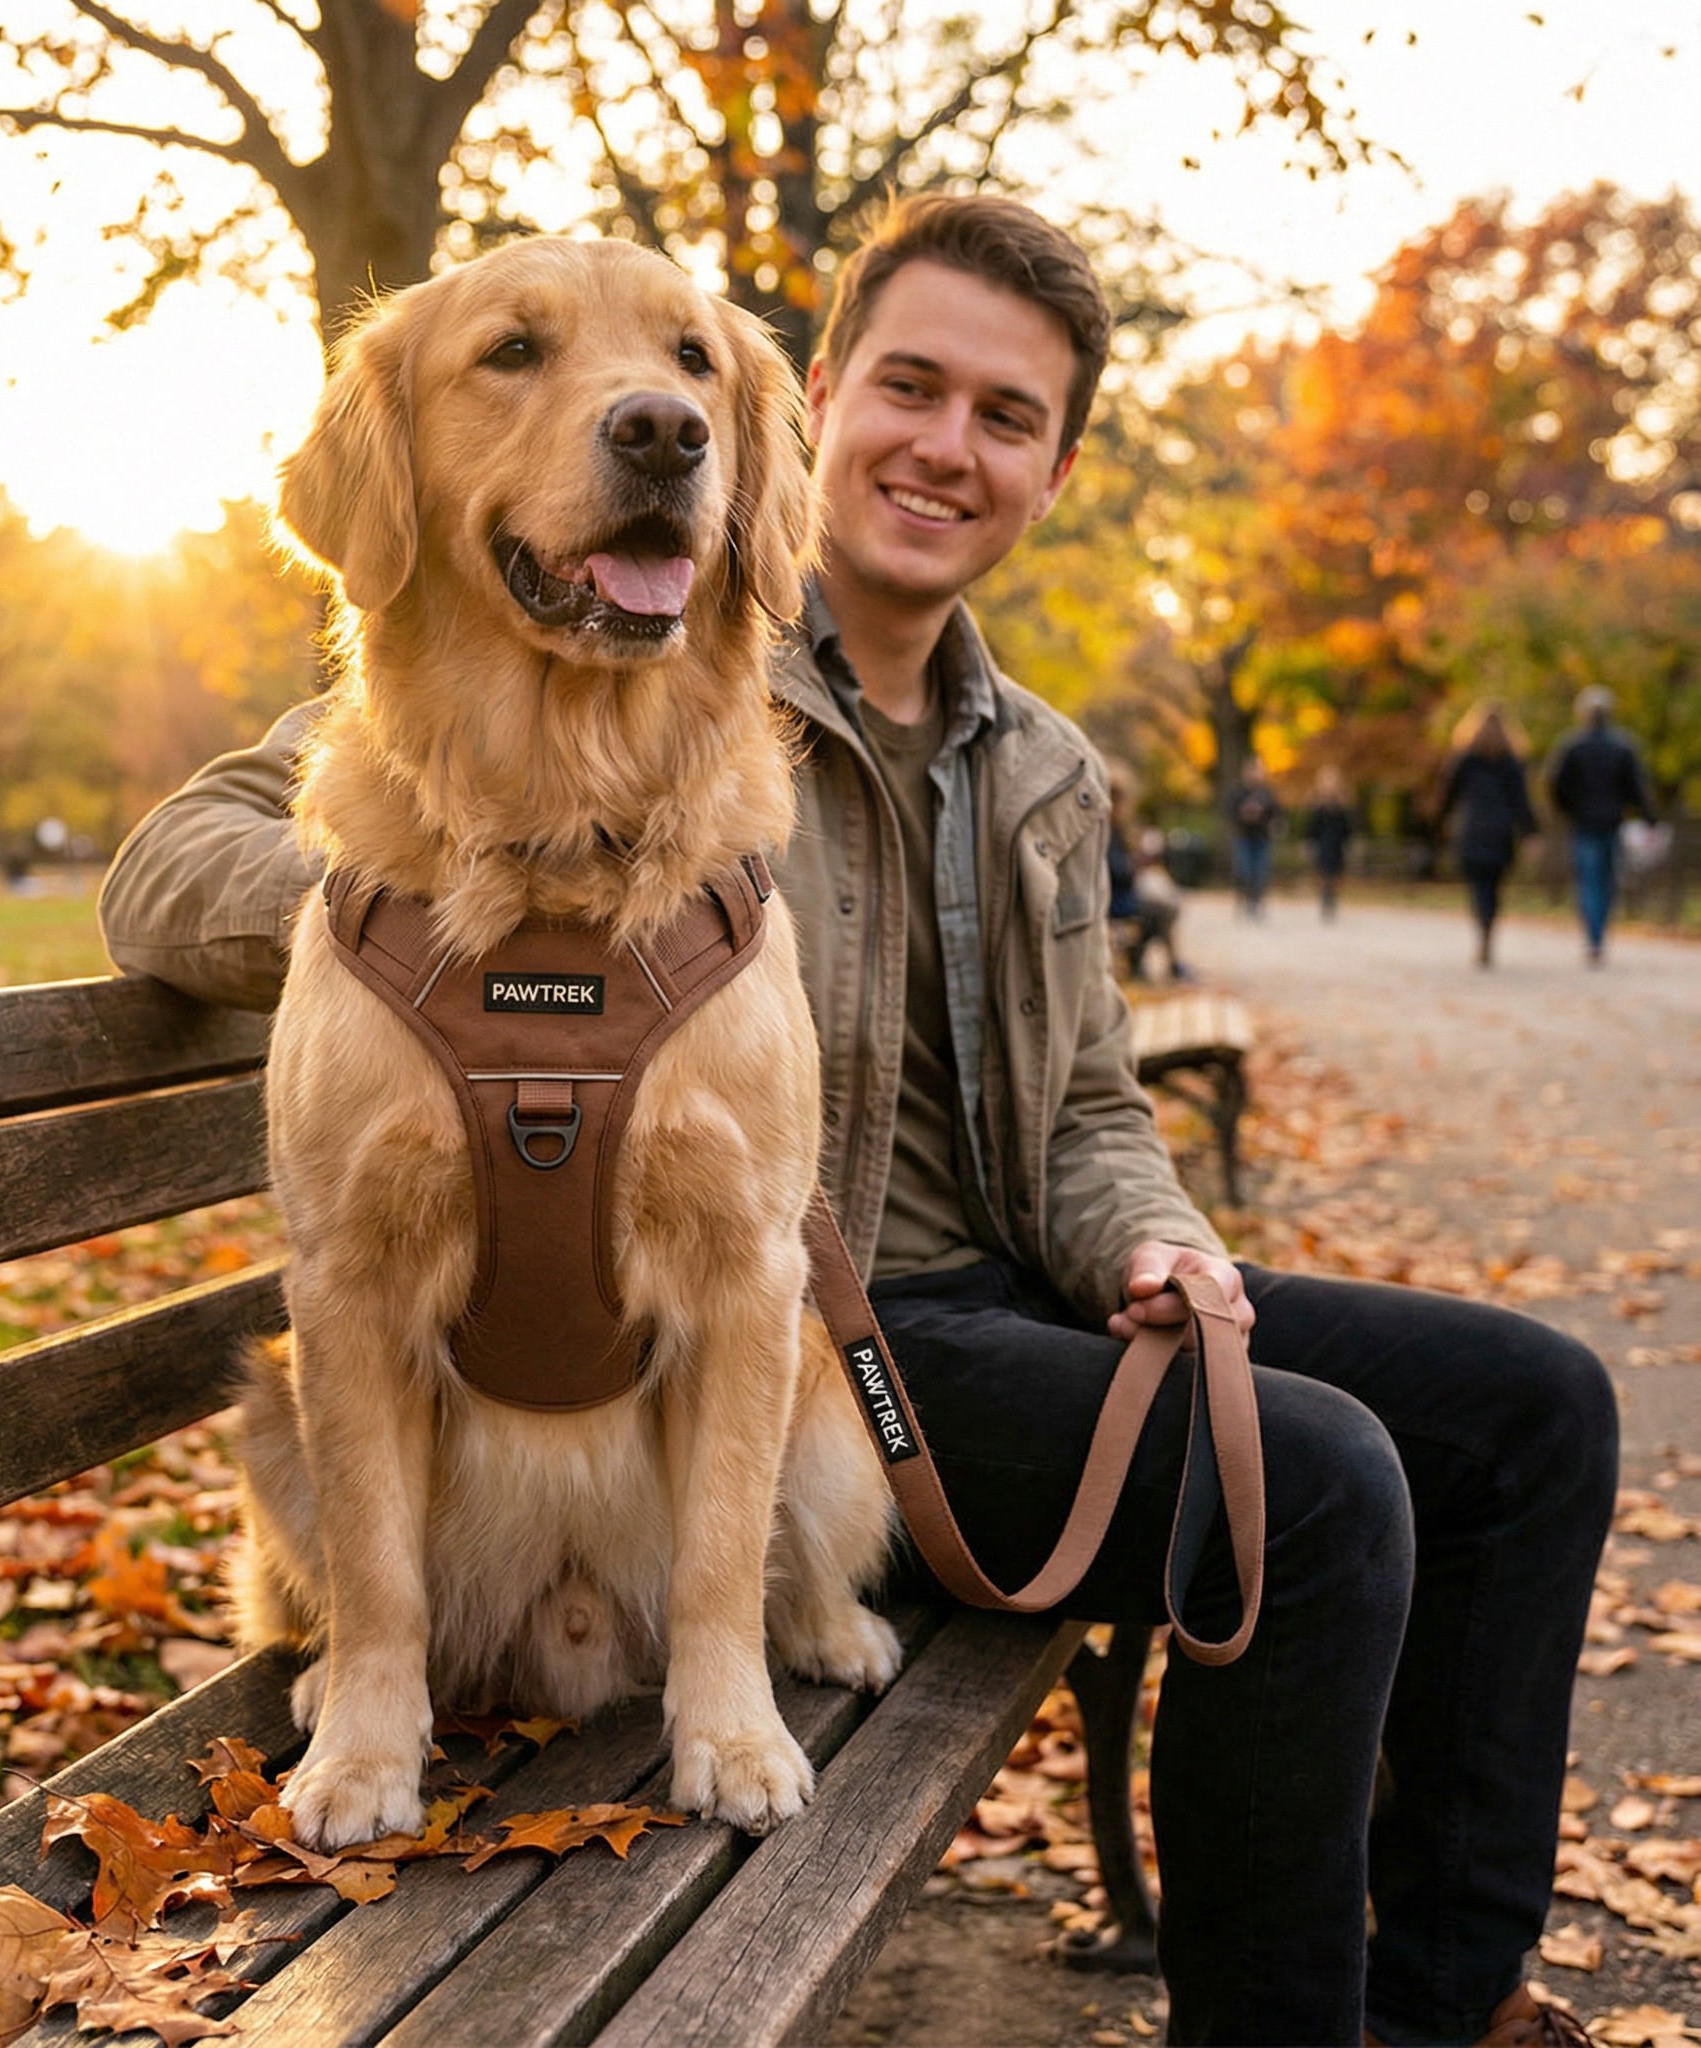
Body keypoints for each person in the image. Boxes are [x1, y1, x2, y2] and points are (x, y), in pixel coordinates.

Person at [97, 198, 1615, 2047]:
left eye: (1003, 415)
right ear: (818, 401)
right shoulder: (617, 648)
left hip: (1040, 1303)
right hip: (841, 1347)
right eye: (908, 386)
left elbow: (1086, 1102)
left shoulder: (1044, 762)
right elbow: (183, 857)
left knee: (1540, 1408)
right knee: (1312, 1482)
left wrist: (1154, 1234)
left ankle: (1426, 2013)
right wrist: (446, 912)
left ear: (1045, 472)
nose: (945, 445)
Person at [1545, 685, 1656, 965]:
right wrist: (1649, 817)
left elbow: (1556, 786)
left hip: (1584, 824)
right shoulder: (1622, 746)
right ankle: (1598, 935)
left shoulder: (1573, 745)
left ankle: (1594, 937)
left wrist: (1569, 810)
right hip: (1610, 823)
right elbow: (1637, 788)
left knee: (1590, 882)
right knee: (1606, 882)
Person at [1440, 705, 1539, 969]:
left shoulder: (1464, 758)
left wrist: (1443, 820)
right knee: (1493, 887)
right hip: (1501, 831)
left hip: (1473, 828)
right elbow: (1521, 802)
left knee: (1478, 886)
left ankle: (1482, 928)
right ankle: (1488, 929)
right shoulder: (1512, 762)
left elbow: (1448, 795)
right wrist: (1529, 833)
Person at [1108, 774, 1189, 981]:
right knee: (1164, 910)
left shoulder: (1116, 831)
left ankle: (1150, 963)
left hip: (1121, 895)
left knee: (1165, 907)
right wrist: (1139, 863)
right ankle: (1163, 964)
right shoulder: (1107, 832)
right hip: (1116, 900)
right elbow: (1117, 872)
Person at [1226, 755, 1281, 917]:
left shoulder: (1266, 793)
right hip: (1244, 837)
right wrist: (1243, 815)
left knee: (1260, 871)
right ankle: (1242, 898)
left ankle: (1256, 902)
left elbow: (1276, 814)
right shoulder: (1239, 792)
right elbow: (1229, 811)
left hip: (1262, 837)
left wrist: (1269, 821)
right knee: (1244, 870)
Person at [1305, 765, 1356, 921]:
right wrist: (1309, 843)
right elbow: (1311, 826)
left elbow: (1348, 825)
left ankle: (1331, 897)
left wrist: (1350, 842)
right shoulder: (1317, 803)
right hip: (1322, 843)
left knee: (1335, 873)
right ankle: (1325, 897)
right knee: (1323, 871)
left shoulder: (1343, 802)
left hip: (1337, 843)